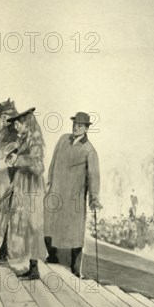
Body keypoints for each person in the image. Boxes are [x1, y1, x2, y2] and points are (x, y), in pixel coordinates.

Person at [44, 112, 102, 277]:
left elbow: (94, 176)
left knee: (75, 232)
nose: (76, 128)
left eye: (80, 126)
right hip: (56, 192)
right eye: (75, 124)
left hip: (73, 197)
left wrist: (94, 197)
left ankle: (76, 268)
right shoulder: (63, 140)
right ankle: (52, 255)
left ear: (86, 128)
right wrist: (49, 182)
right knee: (49, 225)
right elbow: (53, 162)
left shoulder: (89, 150)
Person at [0, 108, 47, 279]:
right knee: (24, 225)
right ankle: (30, 266)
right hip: (23, 186)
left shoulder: (35, 140)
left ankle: (34, 268)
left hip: (32, 189)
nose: (16, 126)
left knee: (33, 225)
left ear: (27, 124)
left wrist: (17, 160)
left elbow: (38, 166)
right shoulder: (25, 139)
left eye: (18, 123)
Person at [0, 98, 19, 262]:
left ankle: (9, 250)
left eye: (6, 116)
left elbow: (11, 154)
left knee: (10, 213)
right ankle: (2, 250)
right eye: (1, 116)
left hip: (12, 175)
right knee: (2, 213)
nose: (3, 119)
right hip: (2, 176)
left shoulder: (14, 133)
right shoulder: (1, 132)